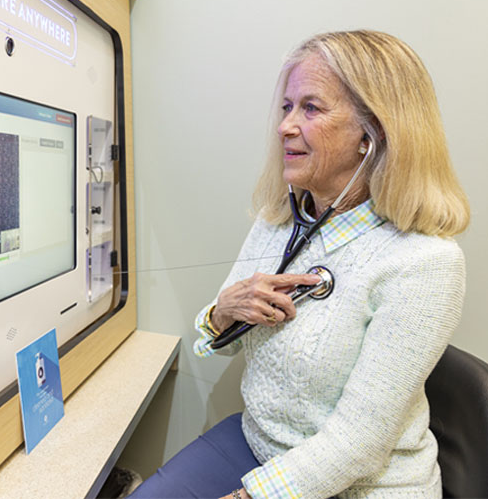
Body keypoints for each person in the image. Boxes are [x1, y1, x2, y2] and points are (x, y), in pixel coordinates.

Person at [129, 30, 469, 498]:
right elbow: (219, 341)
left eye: (311, 108)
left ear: (372, 134)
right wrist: (222, 311)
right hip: (258, 444)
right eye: (287, 107)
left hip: (365, 485)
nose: (285, 125)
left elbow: (360, 443)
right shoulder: (278, 222)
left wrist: (249, 497)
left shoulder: (425, 263)